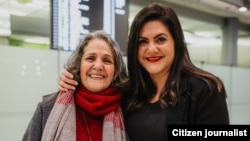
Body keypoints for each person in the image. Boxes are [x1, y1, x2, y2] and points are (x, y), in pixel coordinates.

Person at [58, 3, 230, 141]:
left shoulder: (205, 90)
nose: (152, 49)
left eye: (160, 39)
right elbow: (97, 85)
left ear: (176, 43)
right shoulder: (129, 91)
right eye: (143, 41)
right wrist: (73, 80)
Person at [22, 30, 129, 141]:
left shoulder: (127, 109)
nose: (98, 66)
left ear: (116, 69)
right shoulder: (47, 108)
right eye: (90, 58)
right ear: (79, 64)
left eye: (107, 60)